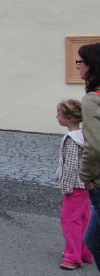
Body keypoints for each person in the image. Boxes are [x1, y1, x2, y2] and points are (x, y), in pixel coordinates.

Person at [55, 99, 93, 270]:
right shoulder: (84, 135)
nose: (57, 117)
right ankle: (85, 251)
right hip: (85, 185)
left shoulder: (71, 139)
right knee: (84, 218)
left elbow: (70, 166)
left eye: (59, 114)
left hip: (75, 186)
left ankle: (72, 256)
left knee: (69, 219)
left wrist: (66, 186)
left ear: (69, 118)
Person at [78, 43, 100, 269]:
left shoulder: (93, 99)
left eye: (81, 62)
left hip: (98, 183)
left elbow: (94, 146)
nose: (78, 66)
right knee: (93, 240)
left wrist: (86, 177)